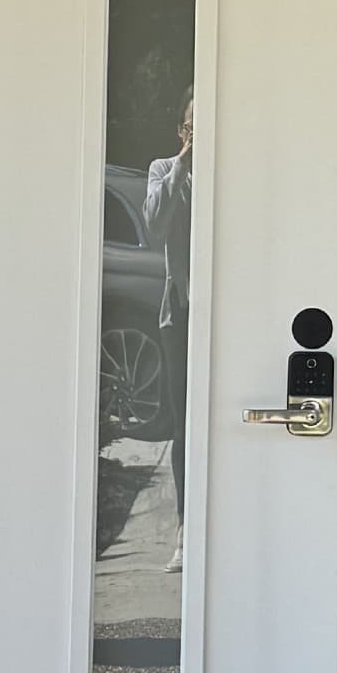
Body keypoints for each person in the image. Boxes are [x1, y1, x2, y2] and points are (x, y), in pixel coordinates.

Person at [144, 91, 194, 527]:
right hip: (179, 311)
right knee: (184, 423)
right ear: (182, 130)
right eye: (193, 127)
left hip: (223, 312)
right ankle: (183, 524)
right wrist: (183, 163)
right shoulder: (164, 170)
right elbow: (155, 228)